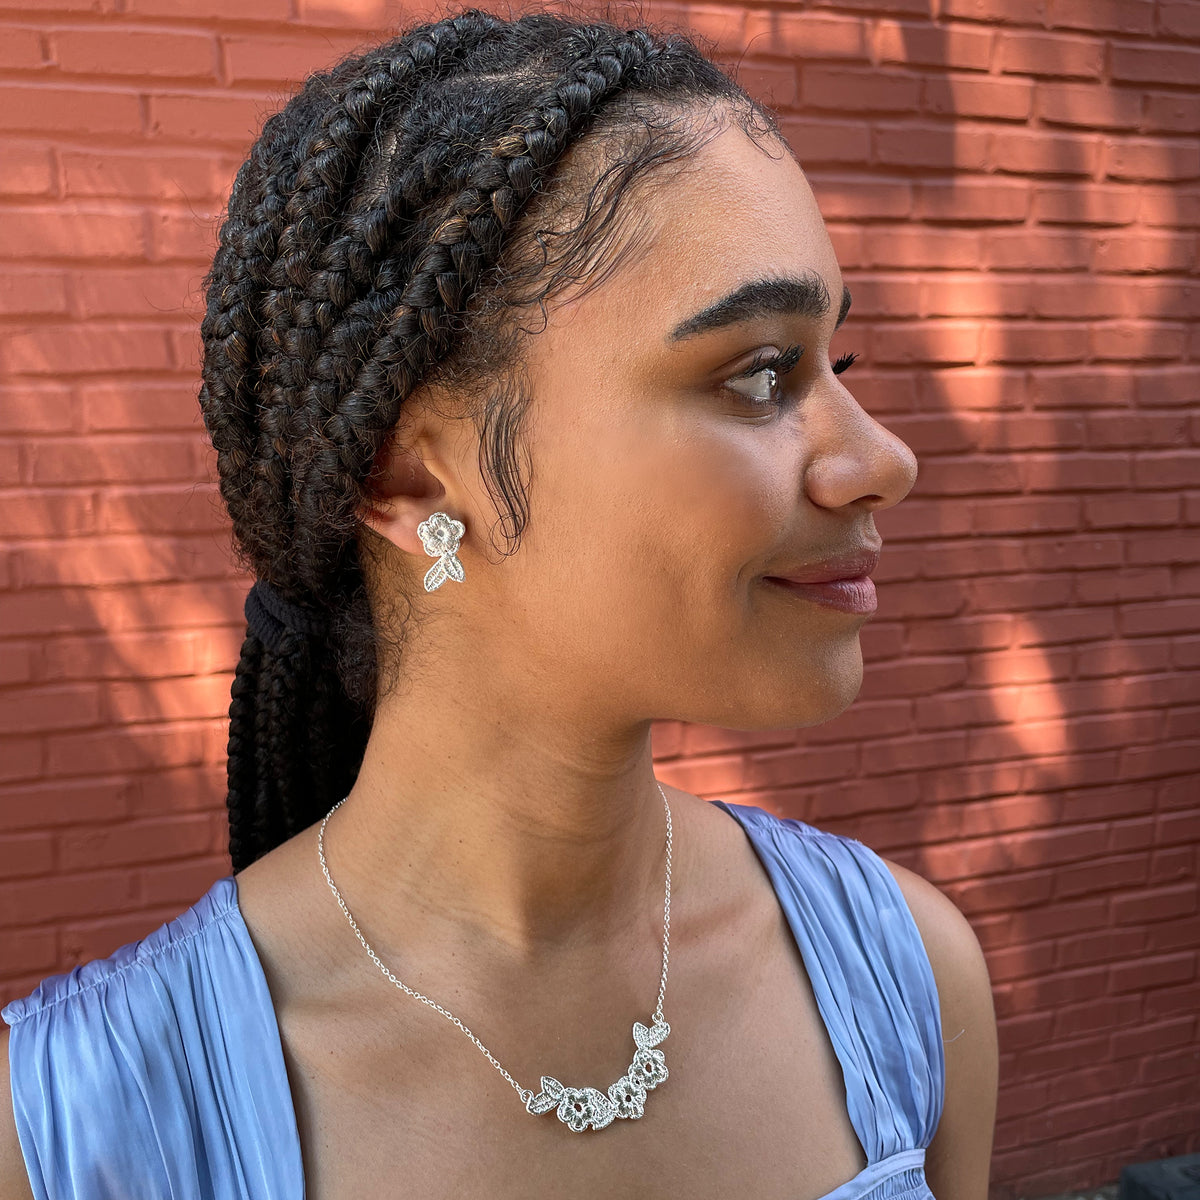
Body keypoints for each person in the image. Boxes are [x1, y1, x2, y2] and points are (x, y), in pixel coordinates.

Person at [0, 4, 998, 1197]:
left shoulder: (904, 981)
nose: (882, 458)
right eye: (759, 373)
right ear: (412, 474)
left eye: (841, 363)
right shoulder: (70, 1132)